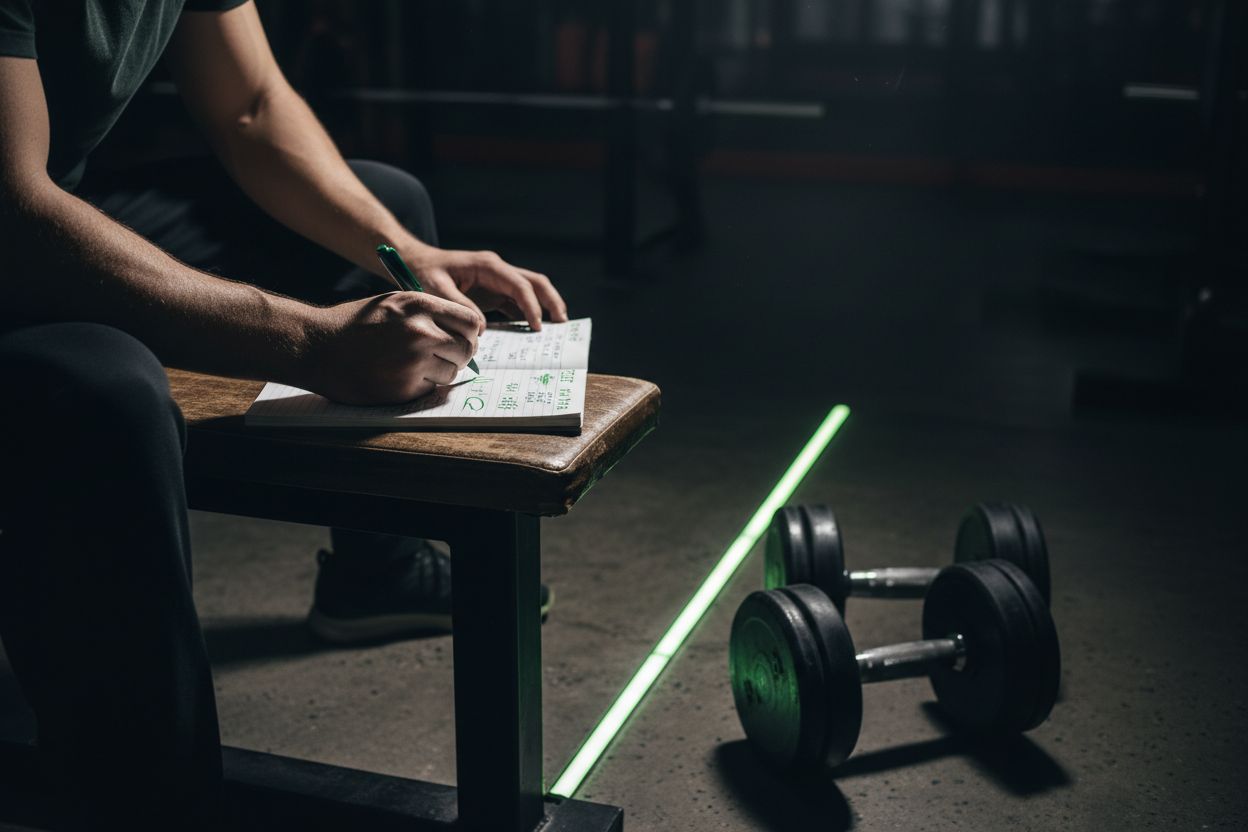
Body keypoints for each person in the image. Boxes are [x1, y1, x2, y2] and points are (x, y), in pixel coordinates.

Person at [0, 1, 563, 827]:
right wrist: (309, 345)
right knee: (102, 391)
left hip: (44, 201)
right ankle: (147, 802)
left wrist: (413, 256)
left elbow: (251, 103)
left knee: (385, 217)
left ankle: (379, 574)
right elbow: (12, 215)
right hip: (13, 216)